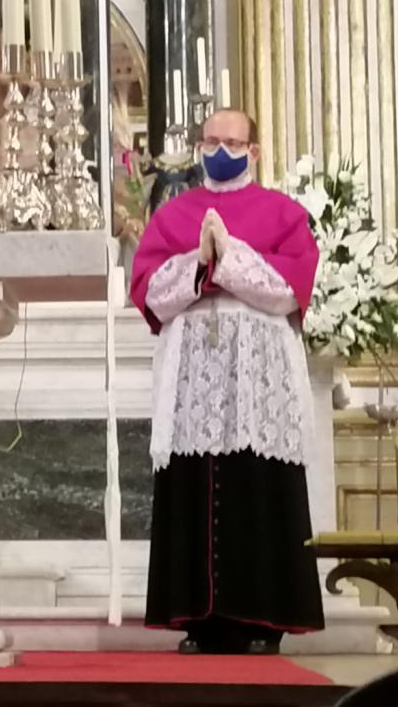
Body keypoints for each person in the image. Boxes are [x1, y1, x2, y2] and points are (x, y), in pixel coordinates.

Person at [130, 110, 325, 655]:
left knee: (258, 486)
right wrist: (197, 262)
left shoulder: (282, 213)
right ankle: (201, 620)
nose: (222, 150)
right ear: (198, 148)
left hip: (259, 380)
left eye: (233, 142)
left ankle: (265, 621)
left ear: (254, 151)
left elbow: (290, 289)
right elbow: (150, 292)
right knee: (196, 484)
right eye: (212, 141)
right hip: (195, 378)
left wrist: (227, 257)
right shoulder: (174, 214)